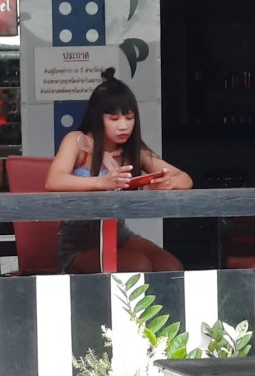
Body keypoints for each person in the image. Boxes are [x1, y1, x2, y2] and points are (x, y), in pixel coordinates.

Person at [45, 67, 193, 274]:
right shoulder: (77, 142)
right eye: (114, 120)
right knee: (138, 265)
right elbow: (54, 180)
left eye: (129, 118)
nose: (123, 126)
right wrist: (102, 183)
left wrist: (169, 183)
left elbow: (185, 178)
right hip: (79, 243)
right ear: (97, 117)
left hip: (119, 236)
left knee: (171, 267)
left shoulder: (132, 151)